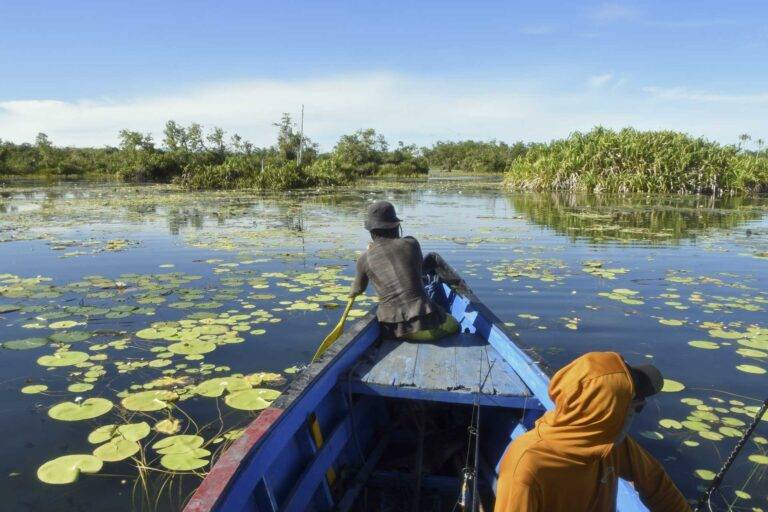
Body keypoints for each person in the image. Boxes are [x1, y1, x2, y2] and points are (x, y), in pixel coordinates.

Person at [494, 351, 691, 512]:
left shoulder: (611, 443)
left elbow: (656, 484)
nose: (641, 407)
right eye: (635, 406)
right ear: (603, 416)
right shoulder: (526, 468)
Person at [349, 200, 463, 341]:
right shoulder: (411, 243)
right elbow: (419, 272)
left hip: (392, 330)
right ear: (396, 226)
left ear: (371, 231)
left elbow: (357, 290)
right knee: (456, 326)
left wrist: (354, 289)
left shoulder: (363, 259)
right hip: (426, 324)